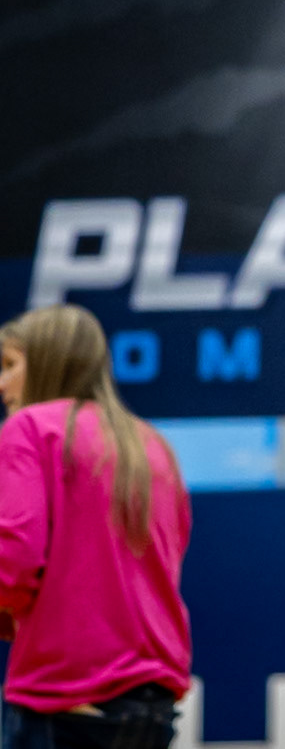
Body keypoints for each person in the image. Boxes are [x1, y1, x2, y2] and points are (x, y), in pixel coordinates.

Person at [0, 305, 191, 749]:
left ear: (48, 361)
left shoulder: (28, 429)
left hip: (64, 703)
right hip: (152, 704)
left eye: (10, 365)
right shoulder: (151, 444)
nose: (1, 384)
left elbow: (13, 563)